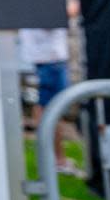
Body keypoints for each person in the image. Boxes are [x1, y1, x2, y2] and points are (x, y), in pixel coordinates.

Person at [20, 18, 77, 175]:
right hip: (49, 58)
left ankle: (55, 158)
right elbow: (49, 19)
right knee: (50, 109)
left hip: (48, 57)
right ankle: (56, 160)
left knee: (47, 108)